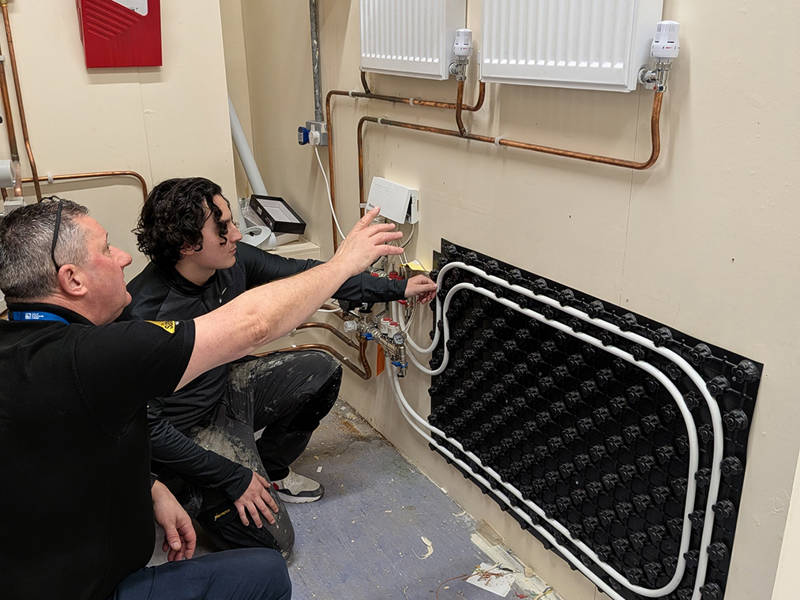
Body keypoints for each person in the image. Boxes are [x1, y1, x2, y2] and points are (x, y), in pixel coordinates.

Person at [0, 196, 406, 600]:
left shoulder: (21, 349)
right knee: (271, 556)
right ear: (73, 279)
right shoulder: (102, 348)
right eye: (106, 248)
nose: (122, 257)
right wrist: (343, 263)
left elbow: (69, 443)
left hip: (220, 397)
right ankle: (198, 492)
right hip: (92, 584)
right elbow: (254, 325)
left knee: (319, 366)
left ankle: (256, 470)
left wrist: (151, 487)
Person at [121, 177, 437, 555]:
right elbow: (146, 429)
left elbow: (307, 276)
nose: (237, 233)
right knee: (274, 543)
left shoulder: (229, 264)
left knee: (320, 368)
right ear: (188, 245)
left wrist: (397, 289)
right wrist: (230, 477)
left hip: (225, 390)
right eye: (223, 228)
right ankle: (185, 490)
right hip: (184, 432)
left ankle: (270, 467)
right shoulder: (146, 316)